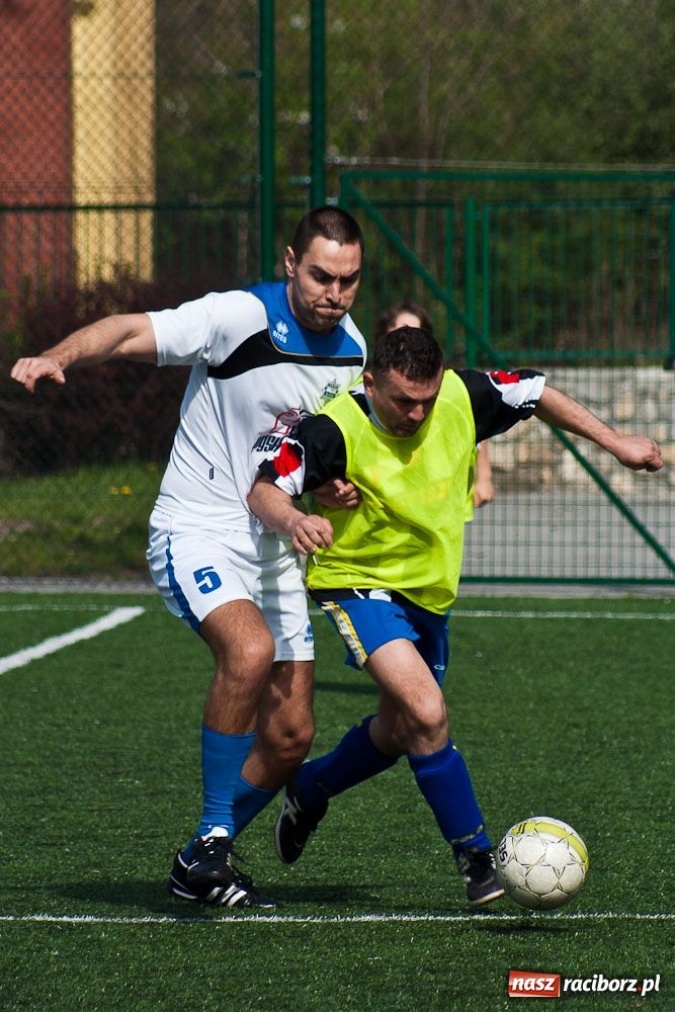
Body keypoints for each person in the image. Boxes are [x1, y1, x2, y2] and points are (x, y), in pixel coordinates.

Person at [10, 206, 369, 909]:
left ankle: (197, 863)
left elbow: (310, 457)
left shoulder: (352, 352)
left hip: (273, 547)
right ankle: (211, 840)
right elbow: (127, 329)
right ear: (292, 262)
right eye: (323, 275)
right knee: (249, 651)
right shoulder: (235, 317)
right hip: (196, 529)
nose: (335, 292)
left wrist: (331, 487)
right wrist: (60, 355)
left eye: (349, 281)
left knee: (293, 734)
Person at [247, 326, 663, 907]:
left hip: (431, 596)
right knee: (426, 709)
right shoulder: (331, 429)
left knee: (399, 731)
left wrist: (613, 440)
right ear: (370, 384)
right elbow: (265, 489)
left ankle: (312, 786)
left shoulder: (463, 395)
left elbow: (536, 389)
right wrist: (294, 520)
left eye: (427, 398)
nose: (417, 413)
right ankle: (477, 858)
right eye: (402, 401)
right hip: (358, 584)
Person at [376, 300, 494, 509]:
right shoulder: (369, 387)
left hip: (439, 494)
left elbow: (475, 421)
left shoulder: (448, 384)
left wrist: (484, 476)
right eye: (401, 331)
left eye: (416, 331)